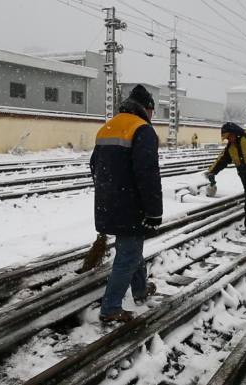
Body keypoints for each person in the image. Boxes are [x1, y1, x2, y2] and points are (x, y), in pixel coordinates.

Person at [90, 84, 162, 323]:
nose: (152, 116)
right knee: (128, 255)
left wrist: (108, 190)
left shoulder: (108, 127)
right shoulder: (142, 129)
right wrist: (154, 212)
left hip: (106, 200)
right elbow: (147, 173)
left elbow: (94, 165)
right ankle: (110, 308)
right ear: (147, 108)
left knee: (132, 248)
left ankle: (140, 289)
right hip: (131, 204)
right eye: (152, 110)